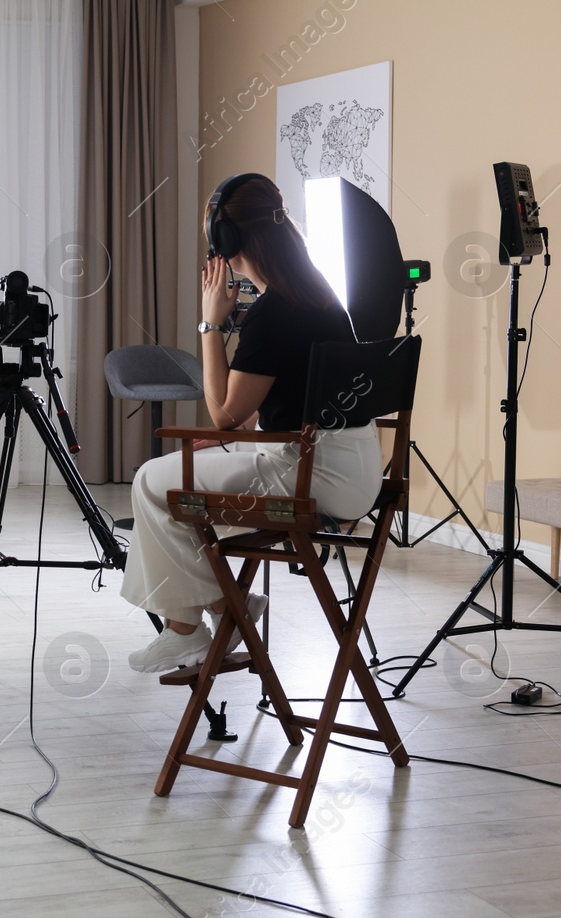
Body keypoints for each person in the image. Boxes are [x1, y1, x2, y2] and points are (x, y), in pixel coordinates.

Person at [121, 173, 383, 674]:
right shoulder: (320, 296)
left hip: (309, 477)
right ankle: (228, 606)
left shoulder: (273, 312)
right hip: (353, 472)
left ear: (226, 239)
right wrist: (234, 437)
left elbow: (223, 415)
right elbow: (265, 408)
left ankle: (189, 629)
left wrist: (210, 323)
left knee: (151, 482)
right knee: (187, 489)